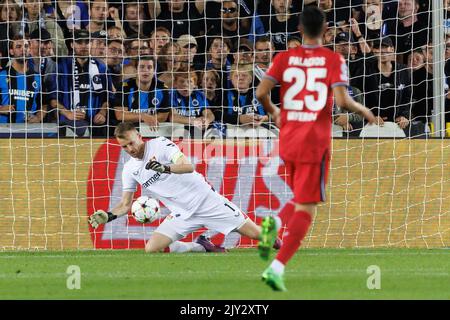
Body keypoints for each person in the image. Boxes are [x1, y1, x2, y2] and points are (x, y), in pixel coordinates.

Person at [255, 6, 375, 291]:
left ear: (299, 29)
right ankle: (276, 267)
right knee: (307, 208)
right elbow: (342, 101)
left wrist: (273, 111)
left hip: (289, 137)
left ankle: (274, 221)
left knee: (299, 198)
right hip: (314, 141)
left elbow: (261, 92)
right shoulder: (333, 59)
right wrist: (365, 110)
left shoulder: (284, 57)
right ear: (325, 30)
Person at [88, 122, 281, 253]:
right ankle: (201, 246)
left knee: (264, 238)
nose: (130, 149)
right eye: (124, 147)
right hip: (181, 213)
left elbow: (189, 166)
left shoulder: (161, 145)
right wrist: (108, 215)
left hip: (207, 202)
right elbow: (125, 204)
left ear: (139, 136)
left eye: (131, 143)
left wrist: (165, 168)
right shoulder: (129, 169)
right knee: (151, 248)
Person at [114, 56, 170, 128]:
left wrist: (143, 118)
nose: (145, 70)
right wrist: (143, 116)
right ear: (136, 70)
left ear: (154, 71)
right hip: (128, 129)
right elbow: (120, 115)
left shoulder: (162, 88)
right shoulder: (124, 87)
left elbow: (163, 117)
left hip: (153, 129)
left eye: (149, 67)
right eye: (141, 67)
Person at [0, 36, 44, 124]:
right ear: (11, 51)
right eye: (18, 47)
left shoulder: (37, 77)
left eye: (26, 46)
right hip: (4, 130)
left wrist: (38, 117)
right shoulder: (2, 74)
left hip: (29, 130)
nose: (23, 49)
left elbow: (45, 103)